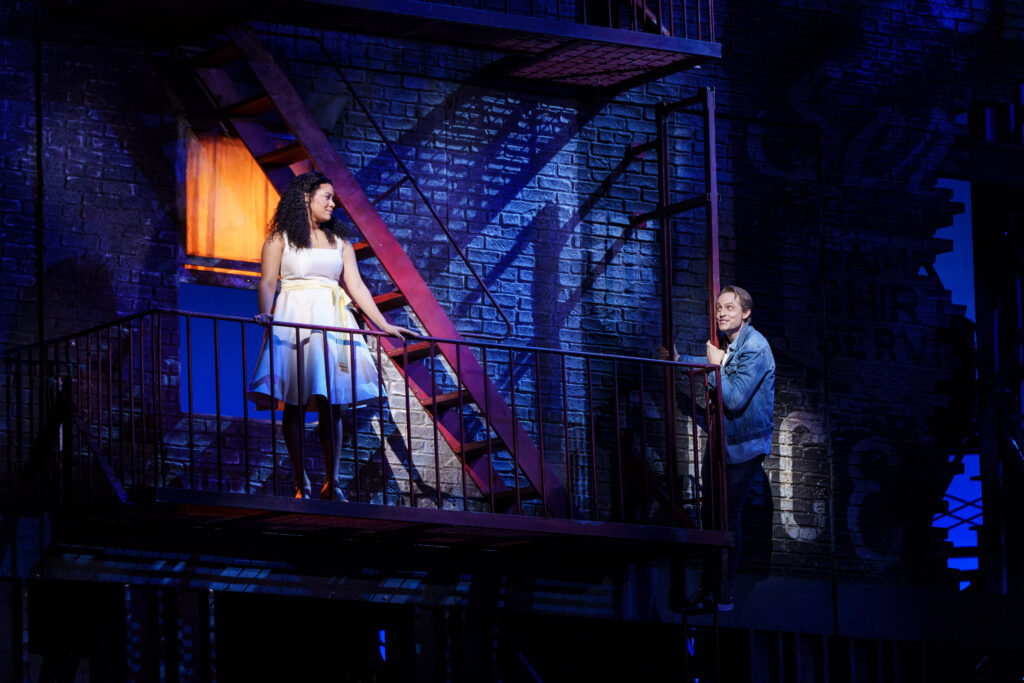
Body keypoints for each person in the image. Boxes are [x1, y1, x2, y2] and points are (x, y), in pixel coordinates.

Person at [247, 172, 412, 500]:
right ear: (306, 198)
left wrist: (382, 324)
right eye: (327, 197)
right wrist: (266, 312)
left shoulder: (340, 242)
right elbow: (267, 282)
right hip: (294, 315)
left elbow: (357, 286)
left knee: (331, 402)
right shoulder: (280, 238)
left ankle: (331, 481)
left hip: (332, 318)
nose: (333, 204)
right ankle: (300, 480)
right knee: (293, 402)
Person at [665, 285, 775, 612]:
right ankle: (709, 586)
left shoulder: (755, 347)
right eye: (719, 308)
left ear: (746, 313)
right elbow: (719, 363)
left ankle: (723, 592)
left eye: (729, 307)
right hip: (727, 446)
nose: (722, 313)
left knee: (726, 517)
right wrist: (679, 360)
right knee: (712, 517)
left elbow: (734, 397)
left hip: (745, 449)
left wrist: (715, 368)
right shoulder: (734, 346)